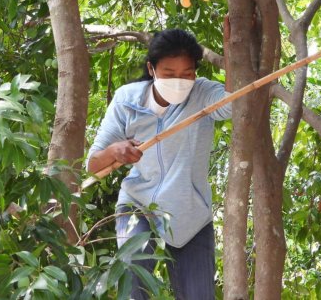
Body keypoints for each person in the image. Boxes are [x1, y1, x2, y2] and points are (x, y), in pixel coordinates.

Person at [86, 29, 231, 299]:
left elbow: (234, 104)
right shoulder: (127, 100)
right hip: (138, 206)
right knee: (131, 278)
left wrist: (233, 49)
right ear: (151, 69)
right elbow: (93, 165)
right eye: (169, 73)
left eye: (187, 73)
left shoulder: (203, 94)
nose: (179, 81)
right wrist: (115, 151)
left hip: (190, 212)